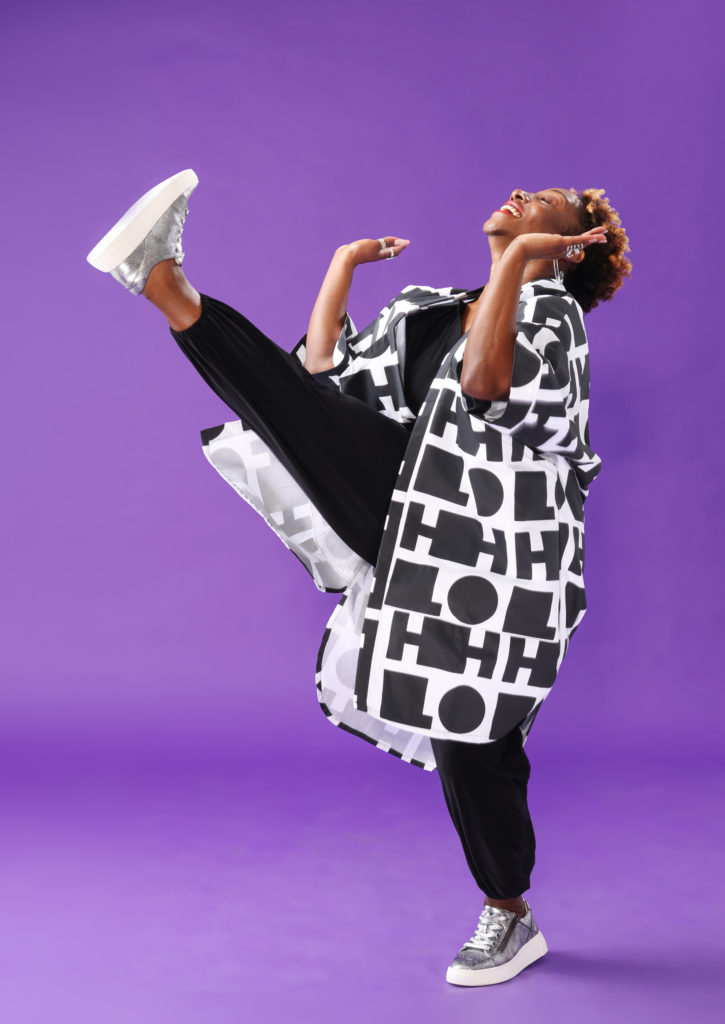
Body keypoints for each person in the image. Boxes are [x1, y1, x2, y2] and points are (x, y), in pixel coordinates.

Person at [86, 170, 631, 987]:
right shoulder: (429, 309)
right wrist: (341, 268)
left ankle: (508, 910)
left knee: (473, 739)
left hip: (487, 549)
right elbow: (320, 381)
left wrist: (519, 268)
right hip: (408, 505)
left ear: (568, 244)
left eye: (547, 204)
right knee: (289, 408)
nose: (524, 193)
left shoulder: (552, 313)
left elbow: (487, 394)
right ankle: (162, 282)